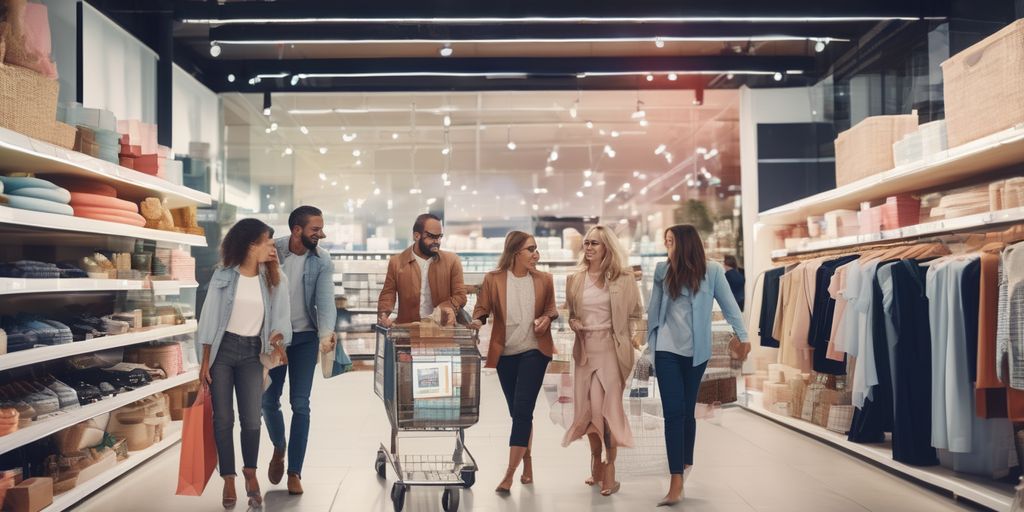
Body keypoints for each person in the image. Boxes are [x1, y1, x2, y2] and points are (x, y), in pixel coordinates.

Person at [647, 224, 749, 507]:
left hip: (697, 354)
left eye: (671, 241)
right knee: (673, 412)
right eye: (665, 241)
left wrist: (744, 336)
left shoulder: (713, 271)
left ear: (685, 243)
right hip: (666, 350)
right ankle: (675, 478)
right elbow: (653, 311)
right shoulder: (661, 270)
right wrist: (650, 344)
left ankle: (686, 463)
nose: (667, 247)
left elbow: (730, 306)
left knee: (687, 411)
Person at [196, 218, 291, 509]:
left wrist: (278, 340)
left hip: (253, 352)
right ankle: (228, 477)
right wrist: (204, 362)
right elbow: (209, 319)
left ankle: (250, 473)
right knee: (223, 419)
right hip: (222, 352)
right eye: (268, 241)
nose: (273, 246)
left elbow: (280, 320)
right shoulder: (224, 275)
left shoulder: (276, 278)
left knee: (251, 418)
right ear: (252, 245)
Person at [264, 206, 349, 495]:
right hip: (273, 340)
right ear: (297, 230)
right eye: (316, 229)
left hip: (304, 339)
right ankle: (279, 447)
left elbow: (325, 301)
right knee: (268, 400)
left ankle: (295, 471)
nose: (321, 234)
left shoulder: (322, 260)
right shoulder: (271, 251)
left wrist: (327, 333)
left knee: (300, 404)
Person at [469, 231, 558, 494]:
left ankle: (508, 474)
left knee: (521, 410)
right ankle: (527, 462)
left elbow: (551, 308)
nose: (536, 254)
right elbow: (481, 307)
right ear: (515, 252)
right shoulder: (494, 279)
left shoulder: (544, 279)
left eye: (536, 249)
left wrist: (547, 319)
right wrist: (478, 320)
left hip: (535, 350)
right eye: (530, 249)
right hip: (506, 354)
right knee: (518, 414)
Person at [562, 225, 643, 496]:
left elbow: (636, 312)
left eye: (595, 243)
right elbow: (571, 313)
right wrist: (573, 323)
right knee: (588, 411)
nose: (588, 248)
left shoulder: (624, 278)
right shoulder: (575, 279)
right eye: (586, 243)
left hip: (612, 351)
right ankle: (596, 461)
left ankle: (610, 469)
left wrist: (629, 337)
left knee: (606, 411)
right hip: (585, 350)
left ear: (607, 247)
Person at [378, 213, 467, 327]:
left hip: (441, 331)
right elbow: (388, 294)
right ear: (416, 236)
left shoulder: (452, 261)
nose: (437, 241)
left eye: (439, 236)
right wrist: (384, 315)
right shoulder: (397, 262)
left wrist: (444, 308)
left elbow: (460, 295)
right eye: (431, 236)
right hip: (408, 331)